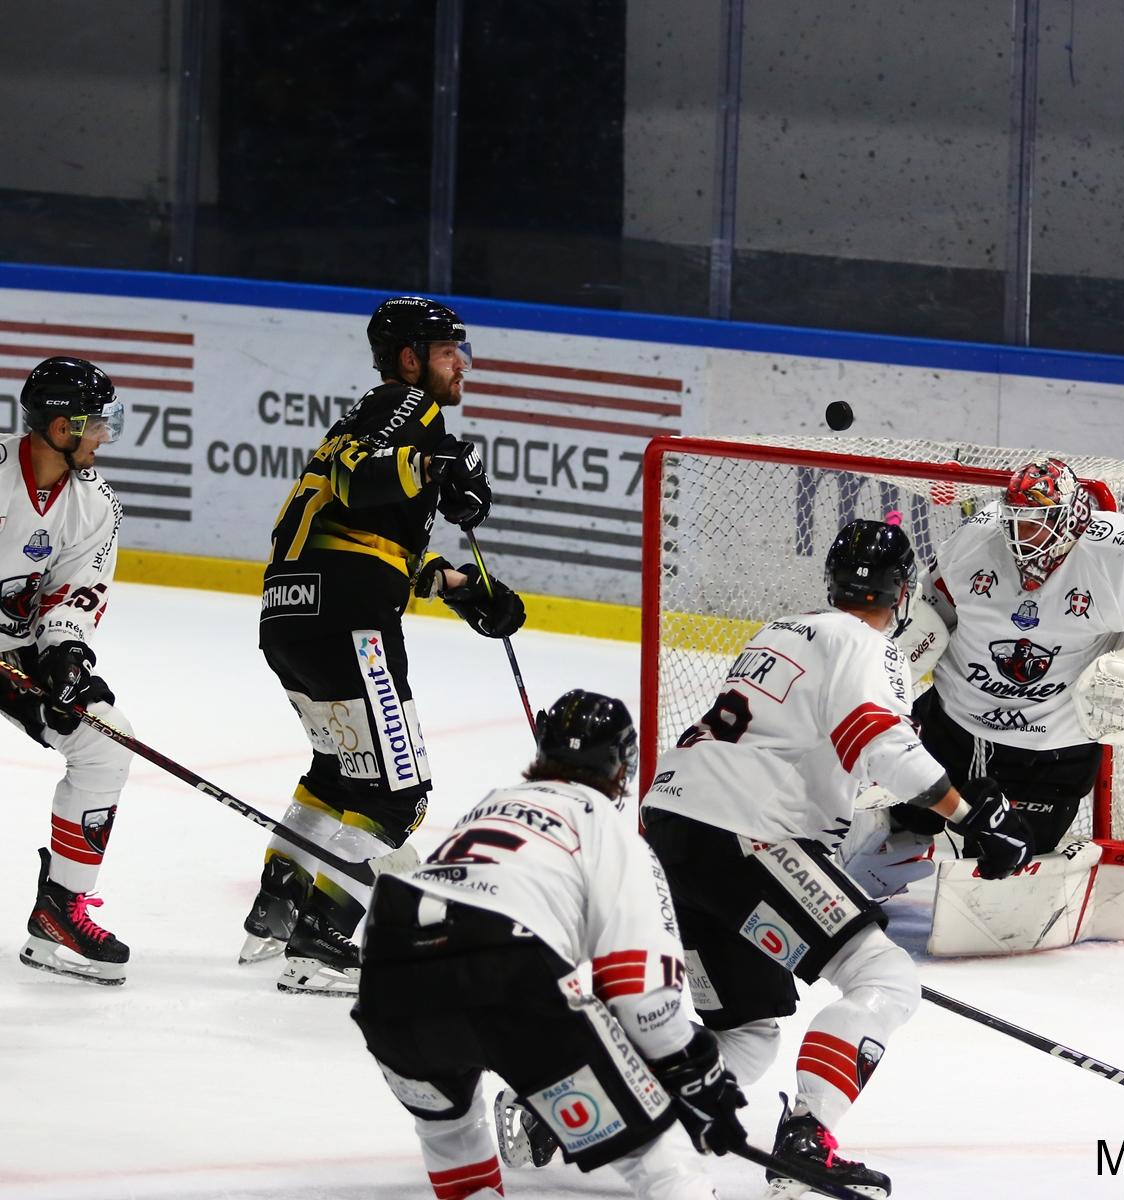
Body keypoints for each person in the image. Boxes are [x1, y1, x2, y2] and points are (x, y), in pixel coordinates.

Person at [631, 518, 1030, 1198]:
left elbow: (816, 754)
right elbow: (880, 747)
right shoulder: (869, 648)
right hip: (749, 833)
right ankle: (808, 1142)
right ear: (903, 594)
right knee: (883, 978)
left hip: (673, 828)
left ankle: (586, 1112)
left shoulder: (783, 630)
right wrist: (973, 818)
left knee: (748, 1036)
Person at [353, 689, 747, 1200]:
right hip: (507, 972)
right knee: (662, 1159)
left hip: (389, 977)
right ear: (622, 765)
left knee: (449, 1131)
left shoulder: (491, 805)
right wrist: (698, 1077)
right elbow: (641, 991)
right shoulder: (608, 829)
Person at [242, 295, 526, 995]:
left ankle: (276, 910)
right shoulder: (407, 407)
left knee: (340, 771)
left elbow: (365, 539)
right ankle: (322, 938)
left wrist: (458, 584)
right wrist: (436, 470)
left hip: (294, 613)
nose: (461, 363)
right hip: (348, 620)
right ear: (410, 358)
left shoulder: (383, 417)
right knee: (398, 795)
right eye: (448, 349)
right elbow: (357, 475)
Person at [889, 456, 1124, 858]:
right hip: (954, 726)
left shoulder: (1119, 550)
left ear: (1071, 517)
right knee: (896, 821)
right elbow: (932, 608)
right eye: (1016, 519)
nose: (1021, 533)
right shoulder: (980, 537)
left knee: (1007, 859)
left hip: (1053, 750)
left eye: (1035, 521)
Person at [0, 357, 134, 985]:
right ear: (60, 426)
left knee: (106, 742)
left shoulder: (96, 502)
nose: (105, 435)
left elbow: (74, 593)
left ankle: (60, 907)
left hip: (15, 646)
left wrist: (67, 657)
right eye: (97, 424)